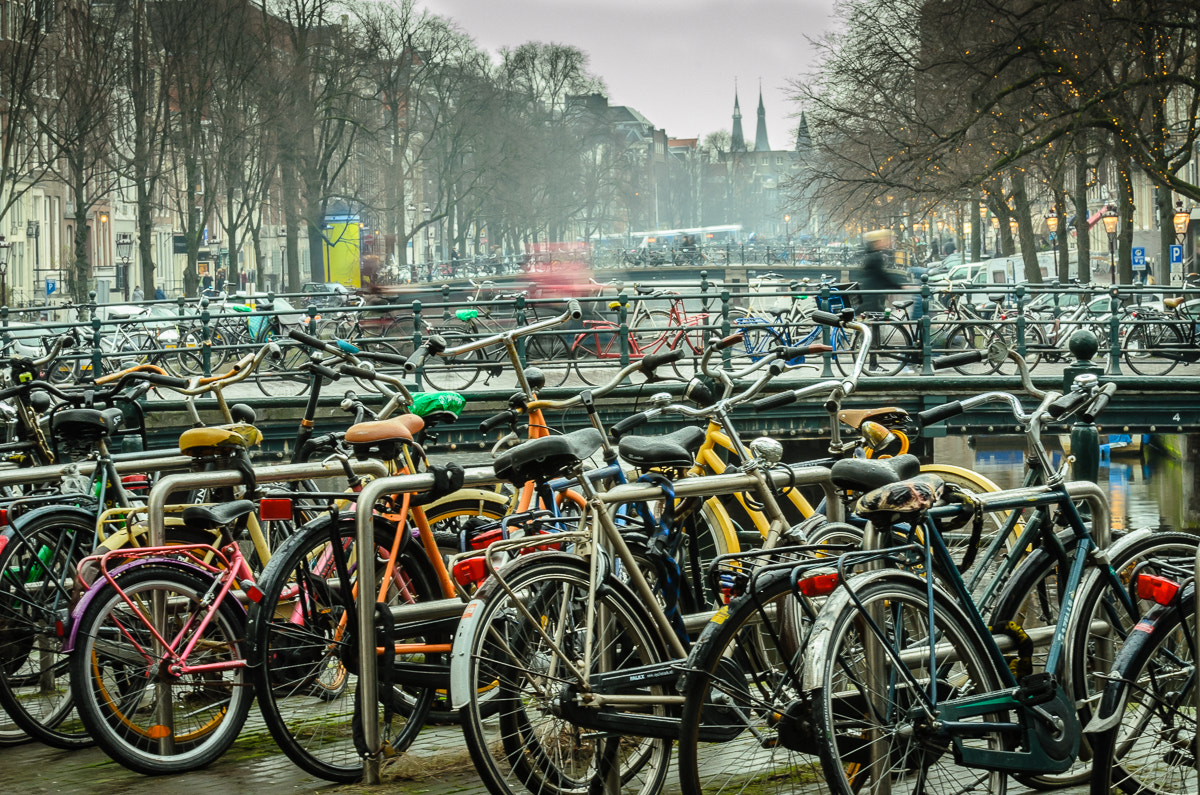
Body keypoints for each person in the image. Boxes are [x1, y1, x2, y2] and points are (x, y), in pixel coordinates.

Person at [856, 229, 904, 314]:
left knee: (876, 317)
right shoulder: (875, 257)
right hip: (873, 295)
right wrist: (898, 286)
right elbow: (882, 276)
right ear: (876, 243)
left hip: (870, 293)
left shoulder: (870, 255)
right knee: (879, 315)